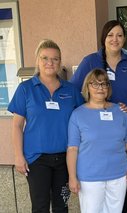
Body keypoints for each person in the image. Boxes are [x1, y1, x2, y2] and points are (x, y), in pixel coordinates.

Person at [8, 39, 84, 212]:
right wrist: (18, 156)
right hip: (36, 160)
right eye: (45, 58)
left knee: (61, 207)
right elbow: (17, 126)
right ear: (37, 61)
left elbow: (86, 116)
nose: (50, 62)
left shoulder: (70, 90)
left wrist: (114, 107)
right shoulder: (25, 89)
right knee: (40, 207)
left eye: (55, 59)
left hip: (65, 160)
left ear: (60, 62)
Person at [67, 68, 127, 213]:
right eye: (95, 84)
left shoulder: (121, 111)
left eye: (104, 84)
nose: (100, 88)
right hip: (90, 177)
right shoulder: (77, 115)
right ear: (87, 87)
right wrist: (72, 177)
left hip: (119, 174)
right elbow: (73, 149)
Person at [70, 20, 127, 113]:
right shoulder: (90, 61)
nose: (115, 39)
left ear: (124, 39)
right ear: (104, 38)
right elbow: (72, 90)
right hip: (96, 121)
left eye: (119, 36)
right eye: (110, 35)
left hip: (125, 122)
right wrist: (86, 108)